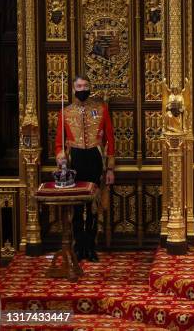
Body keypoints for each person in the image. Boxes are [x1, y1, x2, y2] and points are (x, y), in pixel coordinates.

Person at [55, 75, 115, 262]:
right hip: (76, 160)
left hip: (95, 158)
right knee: (77, 204)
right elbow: (58, 143)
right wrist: (62, 158)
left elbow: (110, 140)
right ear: (73, 89)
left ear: (90, 88)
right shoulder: (66, 112)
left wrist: (110, 168)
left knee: (93, 205)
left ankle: (90, 246)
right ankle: (79, 246)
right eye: (79, 86)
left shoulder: (100, 109)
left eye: (85, 86)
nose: (82, 89)